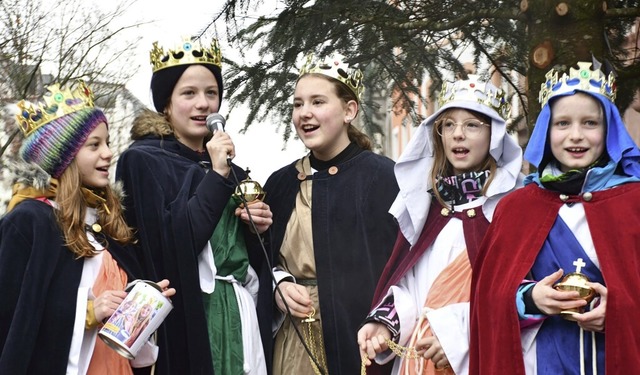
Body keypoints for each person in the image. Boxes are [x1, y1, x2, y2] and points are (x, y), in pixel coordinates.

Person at [469, 62, 640, 374]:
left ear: (610, 129)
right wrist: (529, 298)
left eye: (590, 123)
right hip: (537, 362)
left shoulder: (634, 203)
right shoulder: (516, 207)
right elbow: (488, 299)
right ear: (546, 131)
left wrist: (620, 313)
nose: (576, 136)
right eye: (562, 124)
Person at [116, 37, 272, 375]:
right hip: (185, 319)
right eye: (189, 94)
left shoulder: (234, 172)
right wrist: (216, 175)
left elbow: (250, 261)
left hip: (236, 315)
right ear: (166, 104)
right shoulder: (143, 161)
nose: (203, 104)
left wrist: (256, 226)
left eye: (211, 93)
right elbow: (174, 245)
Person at [0, 80, 174, 374]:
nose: (107, 153)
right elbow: (13, 319)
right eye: (94, 145)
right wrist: (89, 311)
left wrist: (139, 307)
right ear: (62, 159)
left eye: (107, 142)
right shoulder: (29, 221)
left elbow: (124, 342)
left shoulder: (105, 226)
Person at [357, 75, 522, 375]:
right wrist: (384, 324)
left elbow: (516, 297)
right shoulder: (426, 210)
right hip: (419, 362)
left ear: (494, 135)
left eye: (472, 124)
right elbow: (412, 291)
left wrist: (454, 333)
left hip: (483, 359)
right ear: (439, 136)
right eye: (448, 125)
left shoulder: (511, 209)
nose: (458, 134)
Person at [254, 52, 399, 375]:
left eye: (318, 102)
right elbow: (260, 260)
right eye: (297, 104)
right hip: (294, 343)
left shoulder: (384, 178)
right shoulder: (280, 184)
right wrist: (279, 283)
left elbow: (406, 267)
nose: (304, 113)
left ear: (349, 110)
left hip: (362, 337)